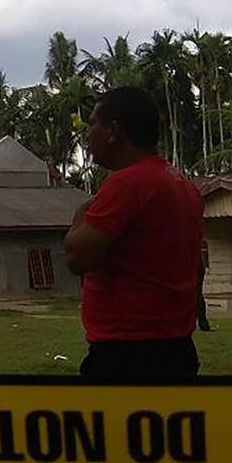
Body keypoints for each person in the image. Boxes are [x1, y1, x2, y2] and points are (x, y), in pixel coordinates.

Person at [65, 86, 204, 380]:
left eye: (93, 124)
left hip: (128, 355)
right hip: (176, 347)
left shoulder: (127, 184)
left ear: (113, 131)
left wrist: (80, 213)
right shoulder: (180, 183)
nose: (87, 135)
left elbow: (77, 257)